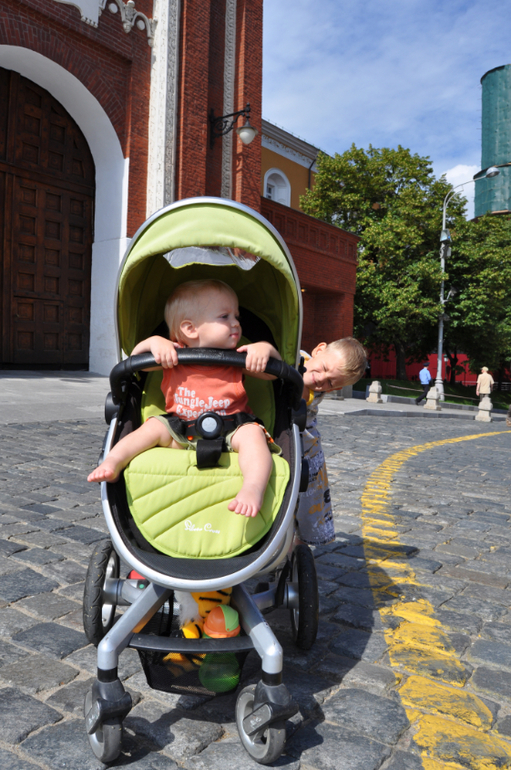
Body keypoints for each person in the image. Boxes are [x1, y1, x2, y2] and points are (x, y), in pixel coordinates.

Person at [88, 279, 281, 519]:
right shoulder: (173, 355)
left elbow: (273, 375)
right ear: (190, 329)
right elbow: (137, 363)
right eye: (225, 316)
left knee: (253, 436)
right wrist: (153, 343)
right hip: (179, 429)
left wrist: (265, 350)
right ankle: (113, 461)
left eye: (236, 316)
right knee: (151, 427)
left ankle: (253, 487)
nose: (236, 323)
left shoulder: (238, 358)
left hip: (232, 430)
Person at [297, 338, 367, 545]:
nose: (321, 380)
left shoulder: (311, 390)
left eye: (330, 383)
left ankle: (302, 536)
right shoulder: (294, 356)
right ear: (318, 350)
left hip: (304, 435)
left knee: (313, 478)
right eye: (324, 368)